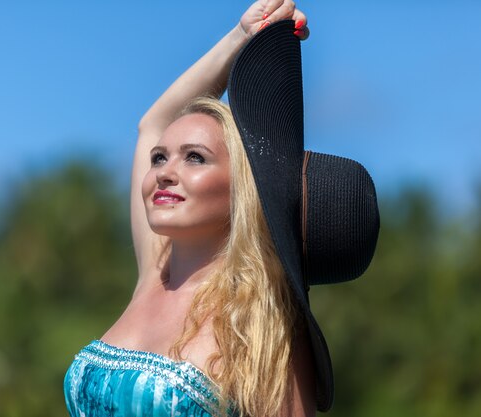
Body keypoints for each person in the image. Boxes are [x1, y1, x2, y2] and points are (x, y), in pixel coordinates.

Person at [64, 1, 379, 416]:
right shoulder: (157, 273)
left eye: (194, 157)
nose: (165, 172)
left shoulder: (264, 327)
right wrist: (241, 37)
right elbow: (153, 124)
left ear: (242, 190)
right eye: (159, 158)